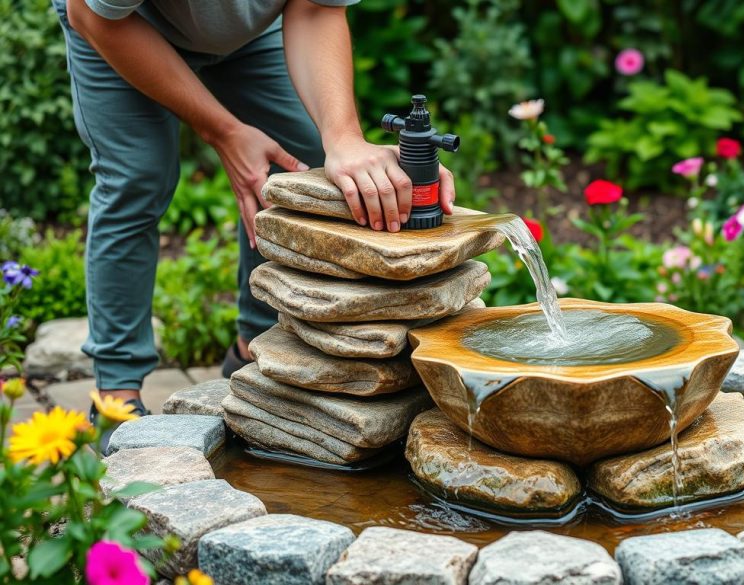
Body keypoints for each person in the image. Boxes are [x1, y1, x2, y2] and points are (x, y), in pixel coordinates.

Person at [53, 0, 457, 424]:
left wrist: (343, 138)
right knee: (138, 177)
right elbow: (91, 14)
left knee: (299, 159)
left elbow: (316, 8)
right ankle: (116, 398)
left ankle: (255, 349)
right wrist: (225, 133)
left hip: (246, 35)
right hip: (119, 21)